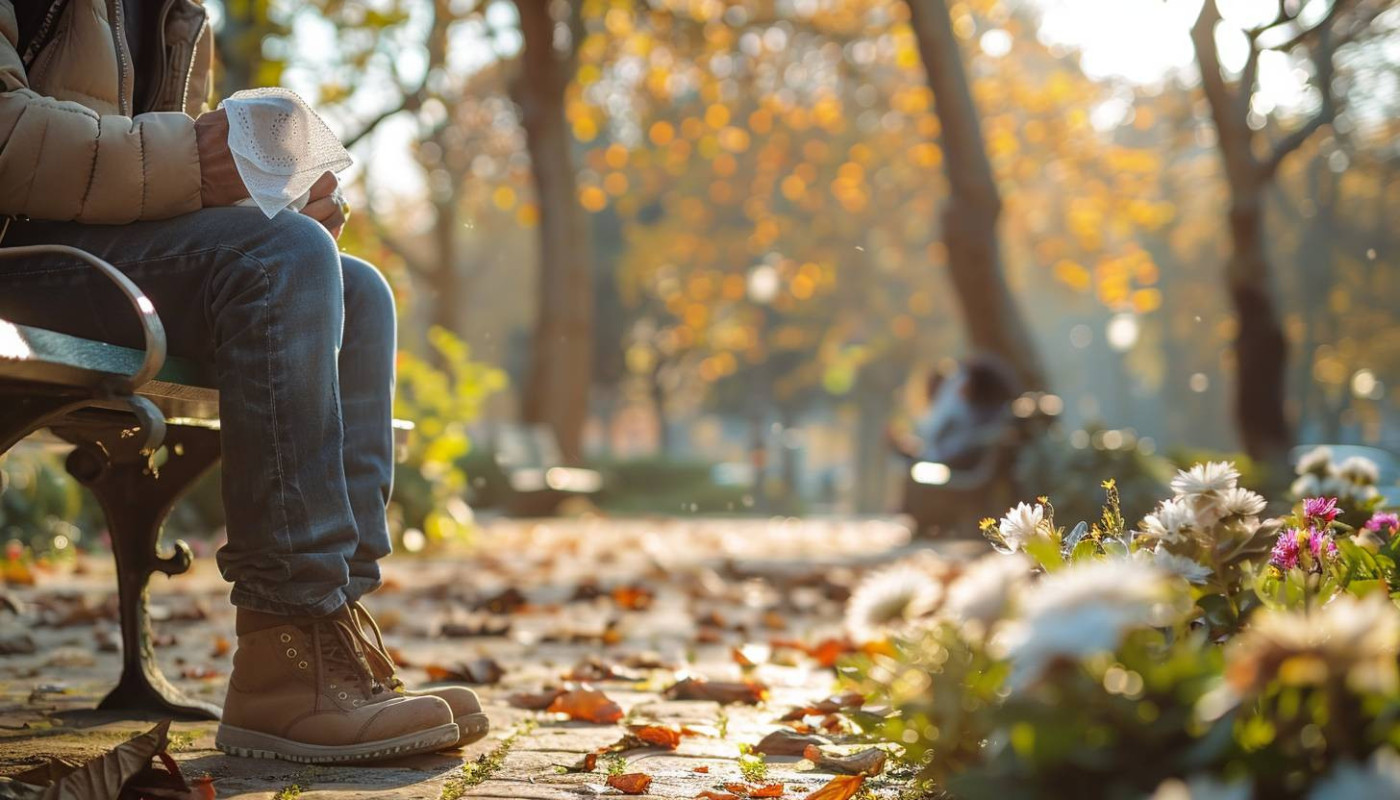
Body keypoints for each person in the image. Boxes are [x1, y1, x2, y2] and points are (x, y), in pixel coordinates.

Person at [0, 0, 487, 763]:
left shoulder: (174, 9)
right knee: (279, 260)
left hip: (89, 247)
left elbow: (163, 175)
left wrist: (279, 199)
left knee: (356, 293)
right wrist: (198, 163)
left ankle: (333, 630)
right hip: (18, 251)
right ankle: (286, 649)